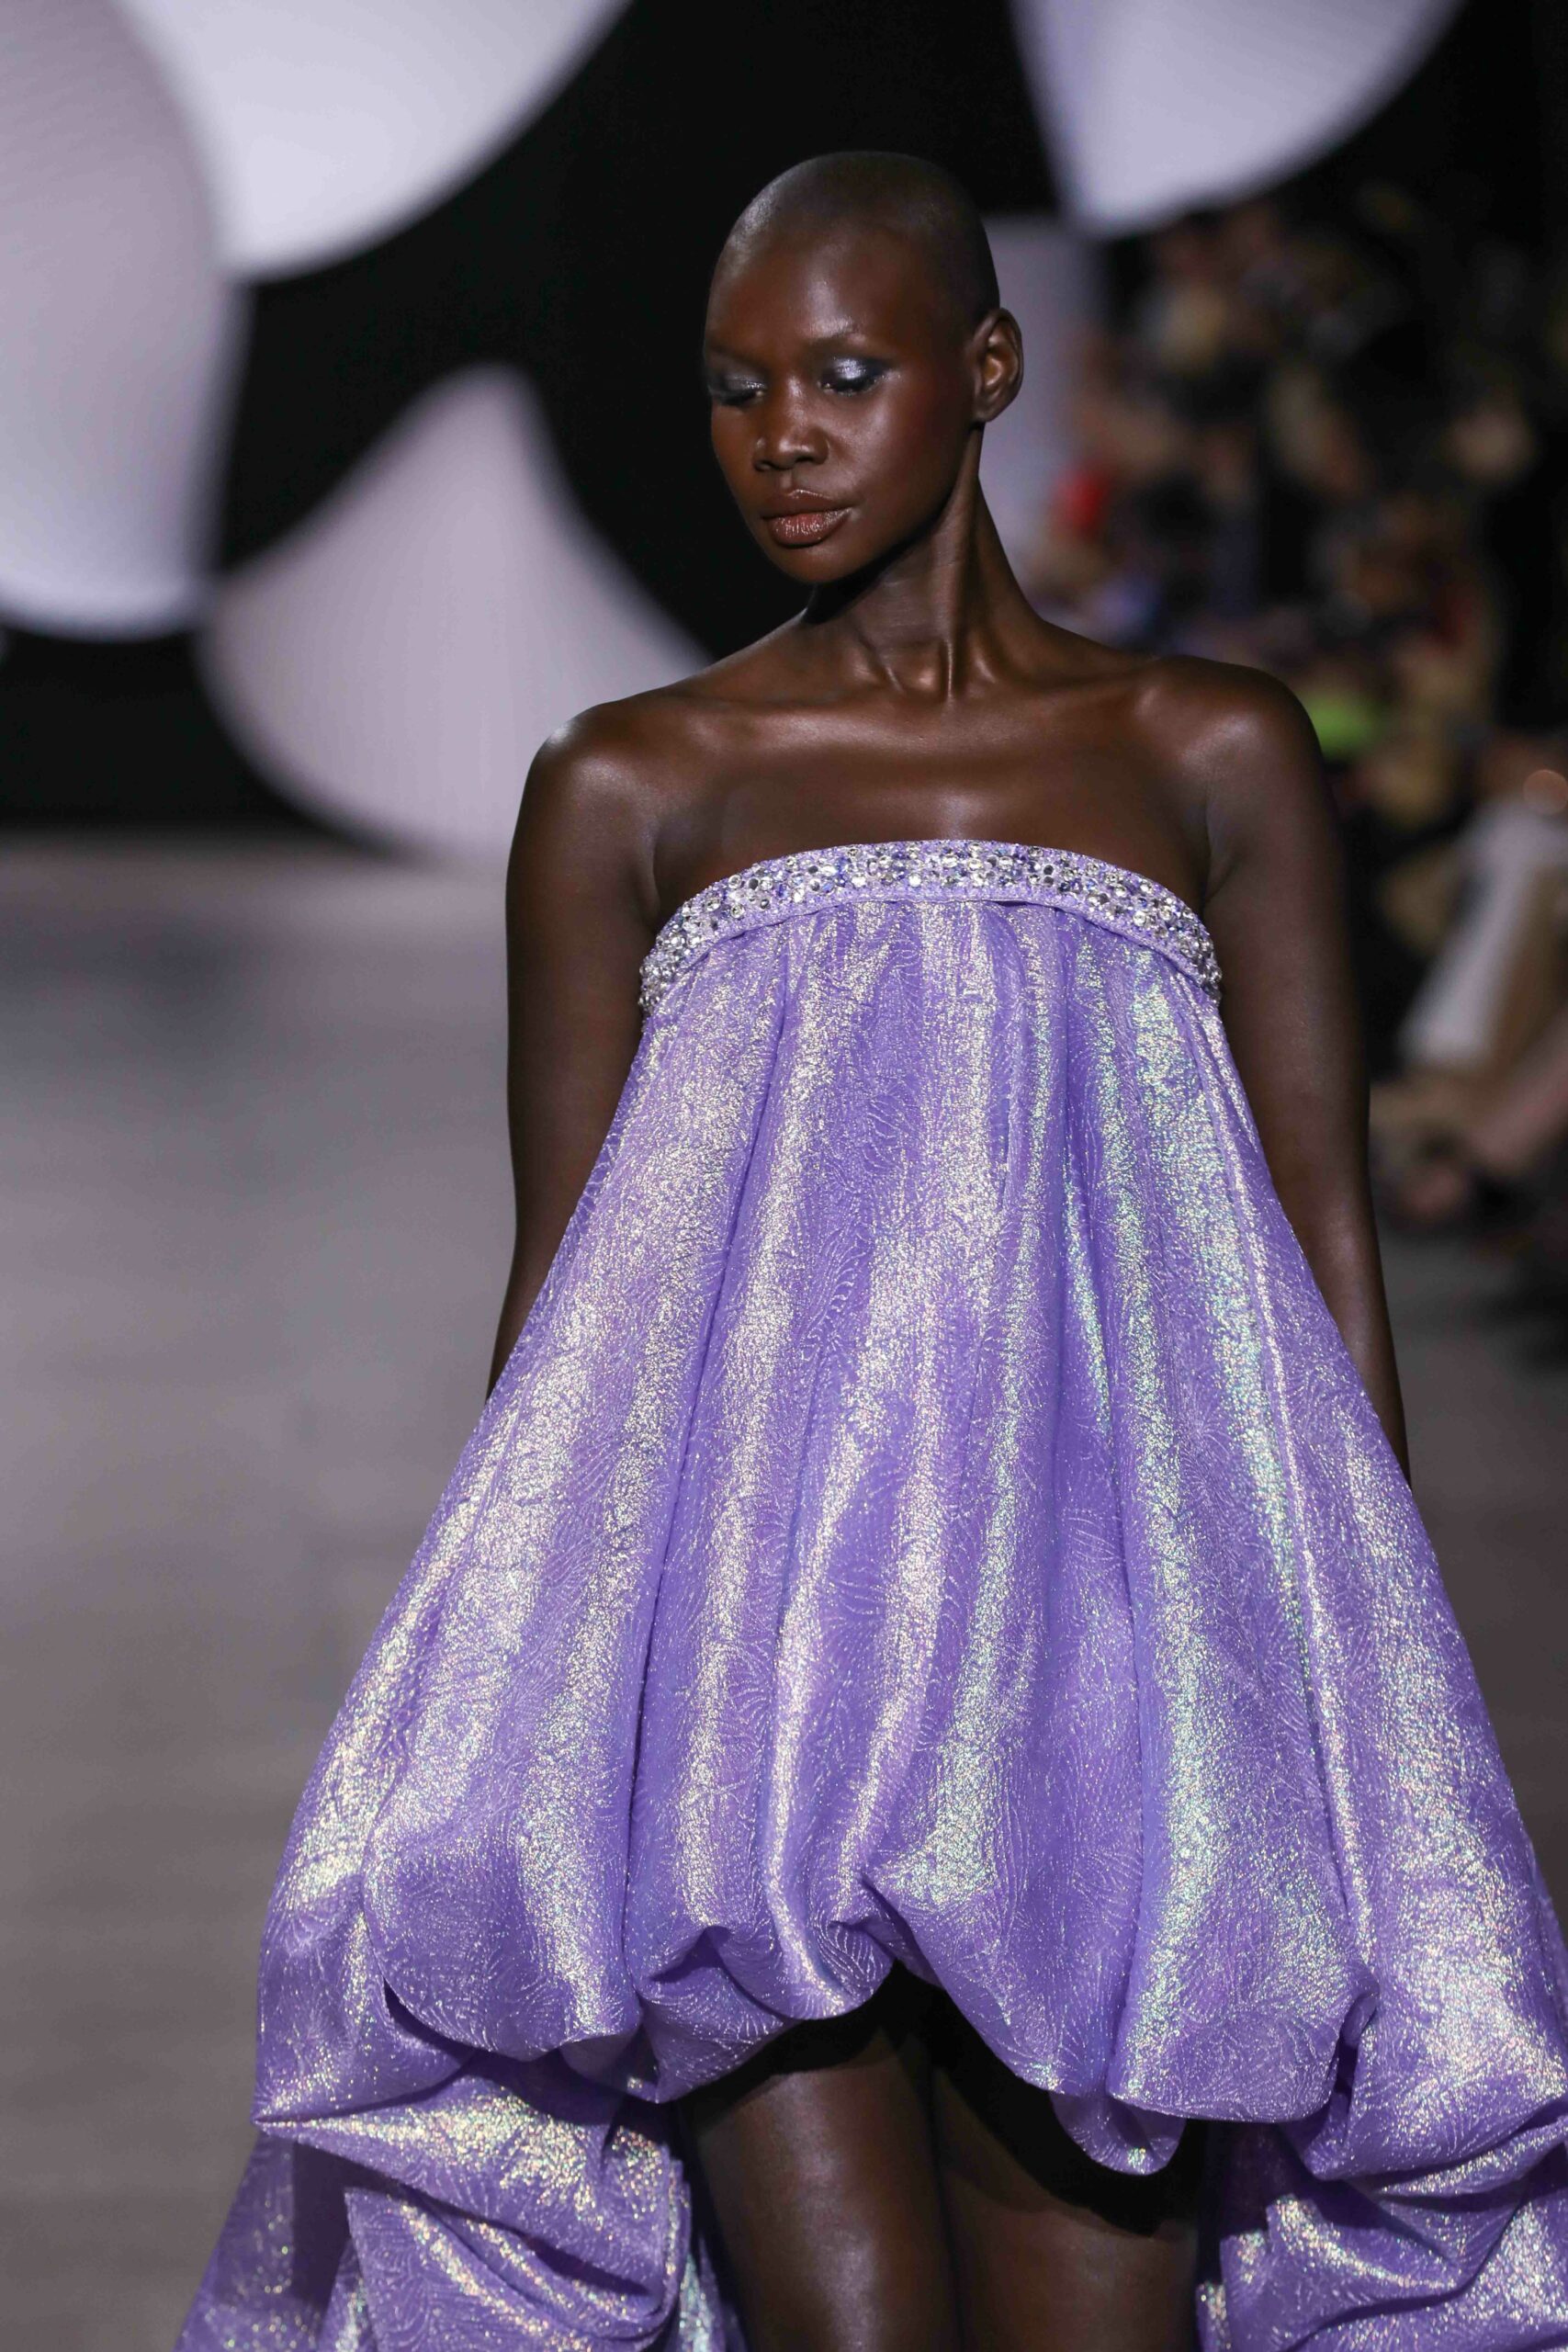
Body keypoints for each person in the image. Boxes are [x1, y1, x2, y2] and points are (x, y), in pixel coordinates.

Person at [179, 155, 1568, 2352]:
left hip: (1115, 1704)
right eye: (736, 389)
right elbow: (567, 1326)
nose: (783, 438)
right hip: (752, 1708)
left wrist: (1348, 1742)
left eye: (841, 374)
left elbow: (1317, 1264)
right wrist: (525, 1750)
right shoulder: (631, 783)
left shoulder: (1203, 751)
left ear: (986, 368)